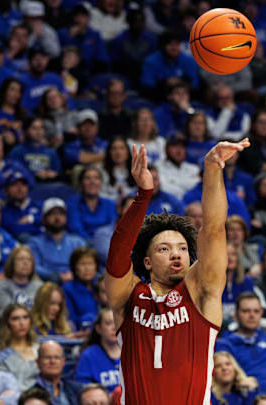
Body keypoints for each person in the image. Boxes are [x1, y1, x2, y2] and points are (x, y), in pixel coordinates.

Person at [104, 137, 249, 403]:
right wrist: (143, 195)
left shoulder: (200, 291)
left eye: (182, 248)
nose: (176, 254)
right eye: (164, 249)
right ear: (146, 262)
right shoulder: (128, 295)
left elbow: (215, 230)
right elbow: (117, 254)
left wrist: (213, 169)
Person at [216, 292, 266, 391]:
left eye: (256, 311)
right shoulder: (224, 344)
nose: (252, 315)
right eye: (246, 311)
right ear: (236, 314)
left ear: (261, 313)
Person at [28, 197, 87, 283]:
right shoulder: (35, 242)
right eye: (52, 214)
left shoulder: (78, 242)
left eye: (61, 214)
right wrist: (56, 276)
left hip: (75, 282)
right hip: (46, 283)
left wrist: (74, 274)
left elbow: (86, 264)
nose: (57, 217)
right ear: (43, 219)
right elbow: (34, 267)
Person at [66, 164, 117, 259]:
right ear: (81, 183)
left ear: (100, 182)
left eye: (96, 178)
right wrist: (95, 244)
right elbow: (75, 229)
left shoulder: (110, 204)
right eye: (87, 178)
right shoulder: (73, 203)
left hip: (105, 244)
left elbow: (111, 228)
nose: (92, 182)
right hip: (82, 245)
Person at [0, 302, 40, 391]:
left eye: (25, 317)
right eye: (15, 319)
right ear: (7, 323)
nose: (22, 323)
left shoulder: (39, 348)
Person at [74, 309, 121, 393]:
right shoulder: (88, 355)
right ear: (98, 328)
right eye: (108, 323)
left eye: (117, 322)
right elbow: (83, 388)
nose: (114, 327)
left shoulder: (132, 353)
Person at [0, 245, 43, 317]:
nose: (25, 262)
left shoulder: (40, 287)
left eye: (29, 260)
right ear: (12, 263)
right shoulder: (1, 287)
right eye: (21, 259)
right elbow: (6, 315)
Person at [7, 117, 61, 182]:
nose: (38, 132)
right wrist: (34, 174)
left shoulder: (51, 152)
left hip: (49, 187)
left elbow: (57, 172)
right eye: (34, 128)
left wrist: (53, 174)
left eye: (41, 128)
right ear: (26, 131)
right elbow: (14, 173)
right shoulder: (17, 152)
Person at [30, 340, 83, 405]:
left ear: (63, 361)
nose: (52, 361)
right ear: (38, 361)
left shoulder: (76, 389)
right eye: (47, 357)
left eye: (57, 358)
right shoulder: (30, 392)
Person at [63, 246, 100, 330]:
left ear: (96, 267)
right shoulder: (67, 289)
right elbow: (69, 320)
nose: (87, 268)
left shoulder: (101, 285)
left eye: (90, 264)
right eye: (82, 264)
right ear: (75, 268)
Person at [0, 171, 43, 240]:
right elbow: (14, 230)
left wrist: (31, 219)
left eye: (23, 184)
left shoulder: (40, 206)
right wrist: (38, 226)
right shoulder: (4, 211)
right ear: (6, 190)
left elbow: (50, 222)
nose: (20, 188)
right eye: (14, 184)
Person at [222, 242, 254, 322]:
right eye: (226, 254)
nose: (230, 258)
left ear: (238, 258)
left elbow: (249, 305)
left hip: (240, 321)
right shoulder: (211, 283)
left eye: (233, 254)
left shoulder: (246, 281)